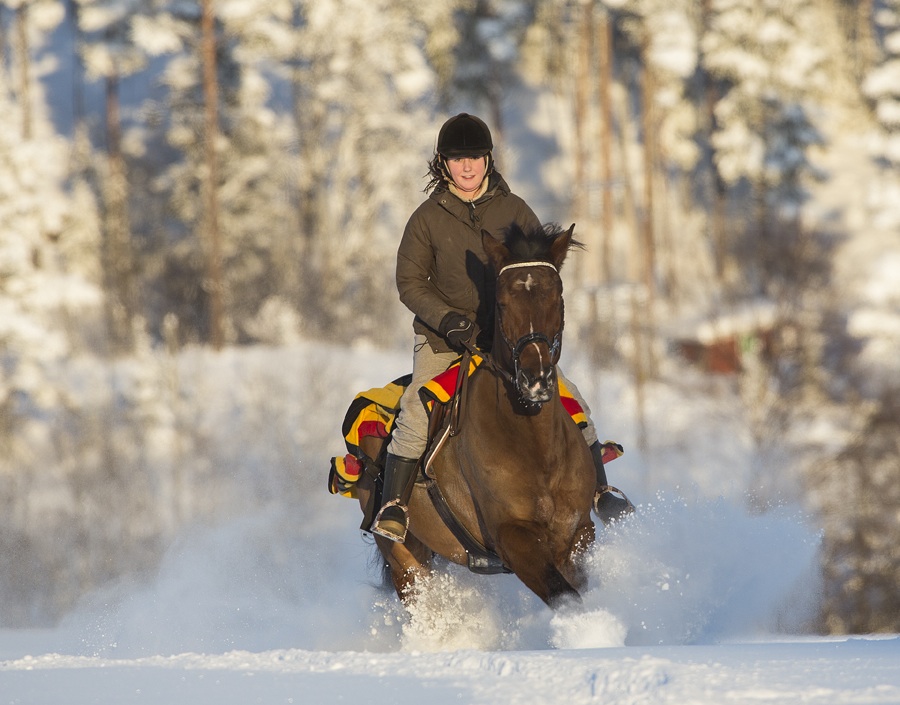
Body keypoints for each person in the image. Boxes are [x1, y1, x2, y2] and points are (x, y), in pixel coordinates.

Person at [371, 112, 631, 543]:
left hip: (509, 340)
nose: (467, 167)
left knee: (568, 395)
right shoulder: (426, 218)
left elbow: (539, 273)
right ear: (442, 164)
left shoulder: (515, 209)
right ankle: (395, 505)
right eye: (458, 160)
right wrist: (449, 320)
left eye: (475, 157)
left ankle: (601, 490)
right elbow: (409, 283)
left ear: (489, 160)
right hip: (443, 342)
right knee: (417, 409)